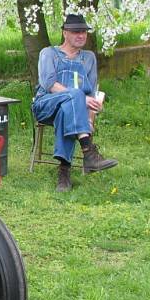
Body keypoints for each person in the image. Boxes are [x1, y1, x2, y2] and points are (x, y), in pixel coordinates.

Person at [32, 14, 118, 192]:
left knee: (67, 111)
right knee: (75, 96)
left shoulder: (88, 58)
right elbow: (49, 85)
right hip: (46, 105)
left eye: (84, 32)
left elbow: (92, 93)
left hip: (70, 112)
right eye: (76, 32)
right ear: (65, 33)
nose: (81, 35)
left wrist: (89, 118)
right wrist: (80, 98)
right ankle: (88, 150)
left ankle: (64, 174)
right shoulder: (49, 53)